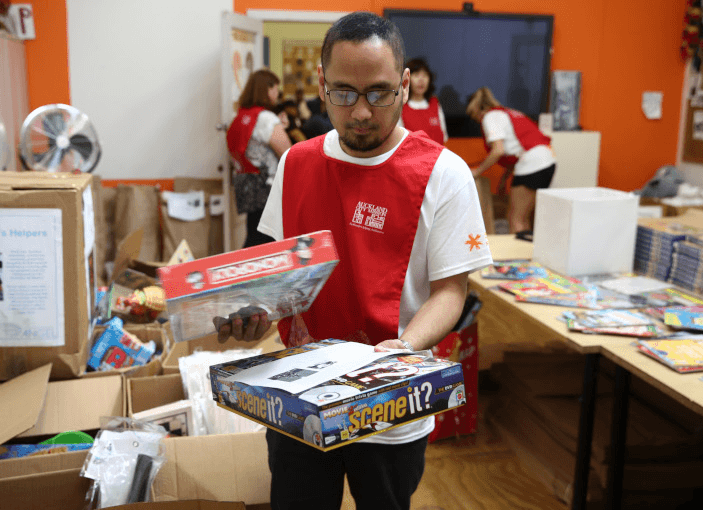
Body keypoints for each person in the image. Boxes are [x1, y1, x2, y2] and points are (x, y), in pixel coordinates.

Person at [218, 11, 493, 510]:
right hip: (298, 398)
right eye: (344, 93)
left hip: (390, 404)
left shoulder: (444, 173)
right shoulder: (296, 162)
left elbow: (452, 291)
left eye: (379, 93)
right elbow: (286, 278)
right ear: (322, 84)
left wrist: (402, 347)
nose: (361, 112)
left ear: (405, 85)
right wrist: (254, 313)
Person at [465, 86, 555, 234]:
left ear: (476, 110)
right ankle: (525, 253)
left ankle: (516, 256)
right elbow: (515, 149)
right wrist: (503, 181)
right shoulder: (507, 113)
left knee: (515, 218)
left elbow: (498, 150)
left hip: (532, 164)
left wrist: (477, 171)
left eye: (473, 116)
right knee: (523, 218)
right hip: (547, 161)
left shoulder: (490, 117)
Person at [226, 69, 292, 247]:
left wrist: (279, 126)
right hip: (266, 186)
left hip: (247, 184)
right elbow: (288, 152)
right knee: (263, 240)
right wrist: (280, 127)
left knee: (255, 233)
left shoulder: (243, 116)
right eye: (275, 88)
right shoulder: (265, 118)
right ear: (267, 89)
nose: (277, 93)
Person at [397, 58, 448, 145]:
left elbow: (445, 137)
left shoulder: (434, 102)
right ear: (406, 80)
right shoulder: (400, 106)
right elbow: (397, 141)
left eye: (425, 75)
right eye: (416, 75)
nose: (421, 80)